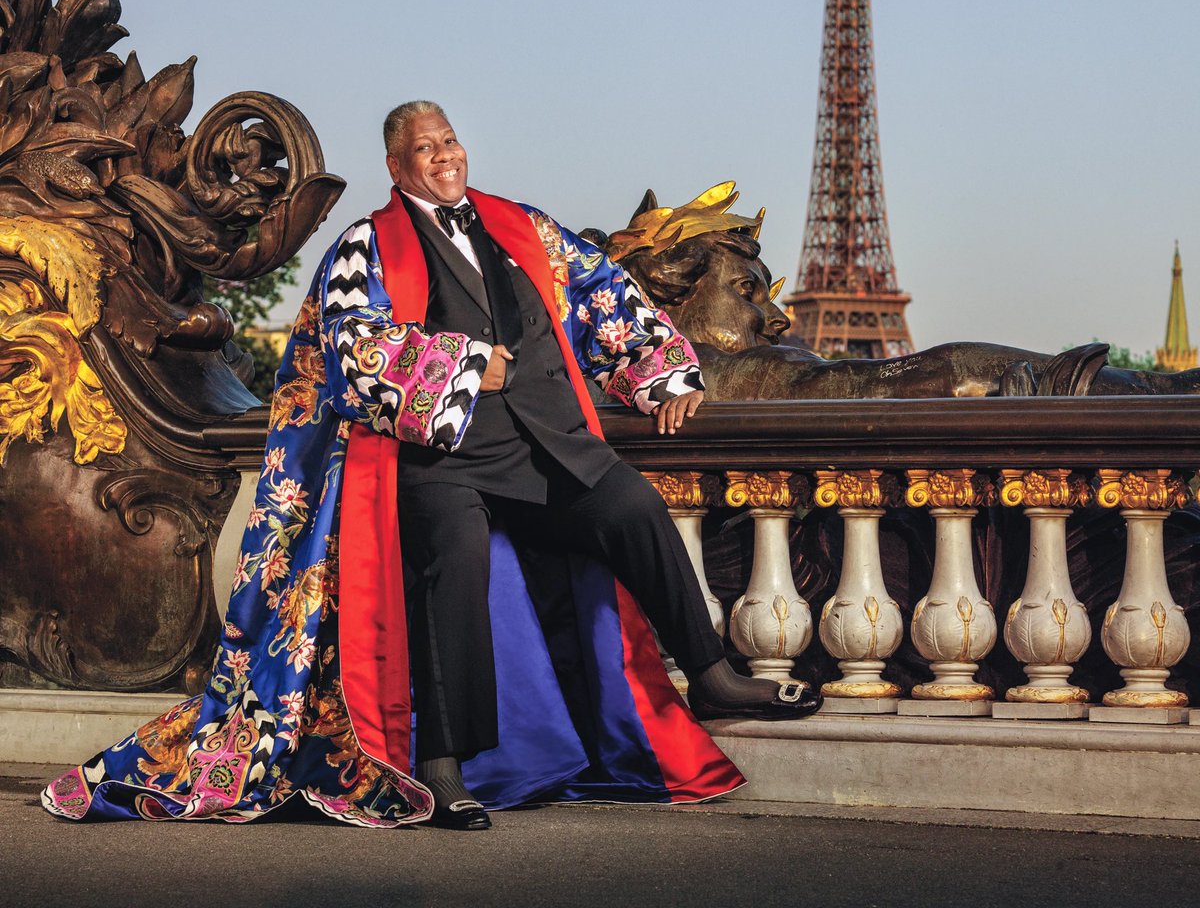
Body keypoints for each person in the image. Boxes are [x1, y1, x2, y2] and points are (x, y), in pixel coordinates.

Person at [41, 100, 819, 832]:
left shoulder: (525, 226)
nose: (443, 156)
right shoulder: (363, 245)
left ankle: (713, 678)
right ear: (396, 164)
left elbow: (605, 293)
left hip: (550, 444)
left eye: (449, 141)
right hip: (444, 459)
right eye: (425, 148)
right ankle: (443, 769)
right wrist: (467, 362)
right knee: (455, 566)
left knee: (637, 511)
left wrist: (663, 378)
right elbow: (348, 348)